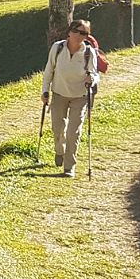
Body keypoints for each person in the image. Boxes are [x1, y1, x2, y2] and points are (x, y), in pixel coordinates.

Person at [42, 19, 100, 178]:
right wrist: (45, 91)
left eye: (85, 33)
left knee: (74, 132)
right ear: (70, 32)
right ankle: (59, 151)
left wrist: (92, 79)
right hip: (59, 94)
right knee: (58, 129)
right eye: (78, 32)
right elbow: (49, 71)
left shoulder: (89, 52)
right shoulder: (58, 48)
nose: (81, 36)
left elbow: (95, 74)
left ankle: (69, 167)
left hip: (80, 97)